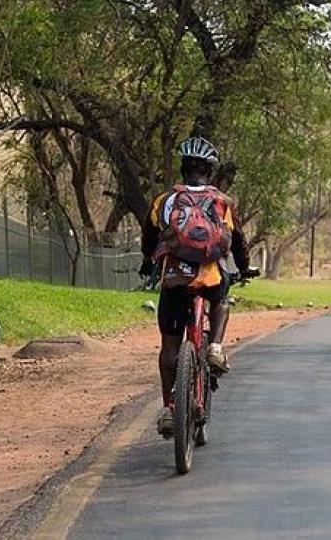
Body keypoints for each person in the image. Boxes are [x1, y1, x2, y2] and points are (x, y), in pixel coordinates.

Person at [139, 136, 251, 436]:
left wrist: (148, 262)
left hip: (176, 277)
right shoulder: (222, 202)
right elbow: (237, 240)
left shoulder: (165, 201)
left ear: (183, 168)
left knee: (170, 346)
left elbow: (149, 236)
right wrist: (243, 266)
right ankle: (214, 346)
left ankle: (169, 408)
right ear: (210, 171)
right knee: (222, 298)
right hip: (210, 276)